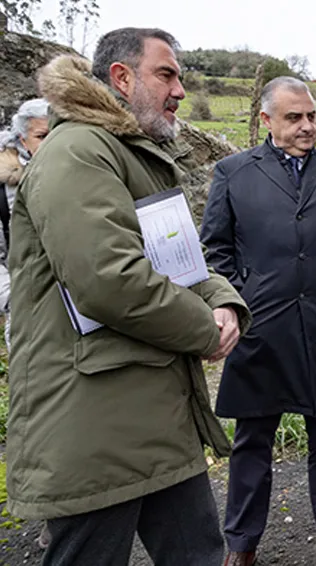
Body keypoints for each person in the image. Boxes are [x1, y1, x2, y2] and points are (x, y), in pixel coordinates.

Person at [5, 27, 251, 565]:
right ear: (121, 77)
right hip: (96, 425)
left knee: (199, 555)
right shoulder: (77, 152)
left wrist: (224, 299)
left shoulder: (131, 153)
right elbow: (108, 279)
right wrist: (203, 328)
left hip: (157, 416)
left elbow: (181, 259)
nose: (180, 90)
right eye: (167, 74)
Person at [201, 76, 316, 566]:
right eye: (293, 118)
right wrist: (242, 299)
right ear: (266, 120)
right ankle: (241, 544)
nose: (307, 126)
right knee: (252, 440)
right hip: (261, 328)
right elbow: (215, 249)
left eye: (311, 116)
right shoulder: (234, 173)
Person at [0, 98, 50, 550]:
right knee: (35, 406)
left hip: (75, 310)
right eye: (41, 136)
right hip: (25, 309)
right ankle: (46, 509)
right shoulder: (5, 185)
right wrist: (19, 294)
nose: (50, 144)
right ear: (21, 139)